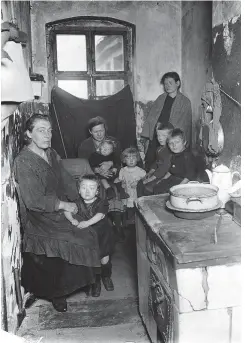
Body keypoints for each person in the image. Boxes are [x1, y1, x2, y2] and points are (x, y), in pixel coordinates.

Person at [14, 114, 102, 312]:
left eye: (49, 130)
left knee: (91, 231)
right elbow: (33, 201)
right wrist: (64, 205)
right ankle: (57, 292)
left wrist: (78, 200)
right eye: (41, 130)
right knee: (73, 236)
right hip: (40, 216)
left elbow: (65, 178)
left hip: (61, 206)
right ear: (29, 134)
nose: (47, 135)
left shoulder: (51, 153)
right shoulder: (24, 161)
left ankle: (92, 277)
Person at [64, 174, 115, 297]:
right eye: (84, 187)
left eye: (92, 188)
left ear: (97, 191)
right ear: (79, 189)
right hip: (87, 236)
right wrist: (72, 220)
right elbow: (66, 210)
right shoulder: (76, 203)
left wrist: (86, 223)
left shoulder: (102, 202)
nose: (87, 191)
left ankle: (106, 276)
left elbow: (100, 215)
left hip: (102, 234)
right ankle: (95, 282)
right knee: (92, 260)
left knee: (104, 259)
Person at [141, 71, 192, 171]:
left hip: (171, 136)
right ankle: (148, 178)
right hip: (157, 134)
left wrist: (169, 136)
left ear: (178, 83)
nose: (167, 86)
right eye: (165, 84)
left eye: (170, 83)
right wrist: (149, 136)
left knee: (167, 161)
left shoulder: (185, 102)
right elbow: (151, 118)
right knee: (151, 159)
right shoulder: (161, 98)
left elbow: (183, 124)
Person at [153, 128, 197, 194]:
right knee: (157, 188)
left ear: (184, 142)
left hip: (186, 182)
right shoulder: (174, 155)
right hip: (176, 179)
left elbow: (189, 176)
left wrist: (177, 188)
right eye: (171, 143)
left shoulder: (188, 156)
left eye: (177, 142)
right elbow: (171, 171)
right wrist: (163, 179)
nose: (174, 145)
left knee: (168, 193)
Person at [138, 122, 174, 196]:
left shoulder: (169, 151)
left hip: (166, 176)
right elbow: (156, 162)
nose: (160, 138)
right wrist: (150, 173)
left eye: (164, 135)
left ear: (171, 136)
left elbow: (163, 169)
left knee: (147, 188)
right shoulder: (159, 148)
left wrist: (149, 179)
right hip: (158, 174)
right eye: (158, 135)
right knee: (140, 183)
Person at [116, 147, 146, 220]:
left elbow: (144, 179)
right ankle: (128, 220)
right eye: (128, 158)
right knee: (127, 208)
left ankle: (136, 219)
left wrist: (138, 181)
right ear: (124, 160)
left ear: (137, 159)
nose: (131, 160)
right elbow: (120, 180)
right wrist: (120, 182)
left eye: (134, 158)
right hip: (126, 193)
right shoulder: (122, 170)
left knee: (136, 208)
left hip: (136, 193)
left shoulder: (140, 171)